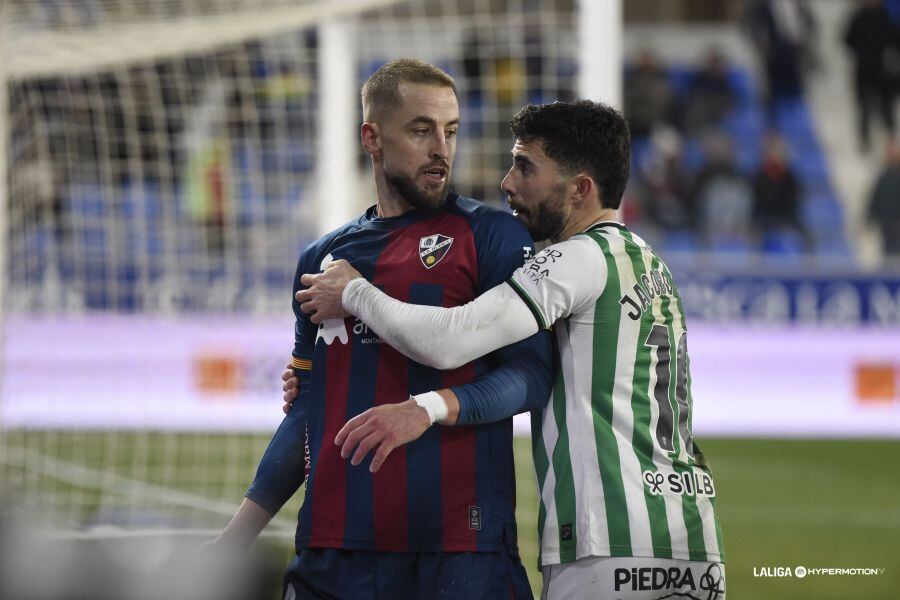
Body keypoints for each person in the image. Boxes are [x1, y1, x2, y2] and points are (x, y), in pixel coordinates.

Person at [296, 101, 726, 600]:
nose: (507, 183)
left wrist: (354, 292)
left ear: (581, 188)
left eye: (525, 167)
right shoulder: (649, 263)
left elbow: (450, 338)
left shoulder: (577, 259)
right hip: (693, 535)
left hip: (610, 541)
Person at [212, 58, 554, 599]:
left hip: (458, 549)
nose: (441, 147)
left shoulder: (491, 238)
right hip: (334, 547)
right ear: (372, 137)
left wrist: (428, 408)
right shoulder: (323, 258)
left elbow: (532, 377)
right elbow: (307, 411)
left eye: (451, 131)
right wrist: (237, 536)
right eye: (421, 130)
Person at [843, 0, 898, 152]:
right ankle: (864, 142)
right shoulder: (858, 17)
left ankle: (890, 140)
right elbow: (847, 40)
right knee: (864, 108)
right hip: (864, 71)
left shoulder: (885, 17)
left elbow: (895, 39)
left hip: (882, 71)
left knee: (886, 108)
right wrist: (862, 53)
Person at [867, 139, 900, 257]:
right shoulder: (883, 175)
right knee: (888, 254)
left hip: (897, 223)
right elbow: (875, 197)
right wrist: (869, 218)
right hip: (886, 223)